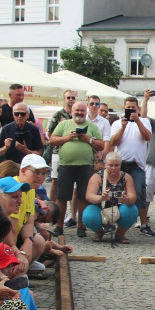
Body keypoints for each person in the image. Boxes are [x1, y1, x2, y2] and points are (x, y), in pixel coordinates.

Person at [50, 100, 103, 238]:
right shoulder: (64, 124)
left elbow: (101, 145)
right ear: (71, 112)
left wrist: (88, 140)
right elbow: (52, 140)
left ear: (86, 112)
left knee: (83, 197)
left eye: (82, 111)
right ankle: (59, 225)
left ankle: (81, 226)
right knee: (61, 197)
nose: (79, 113)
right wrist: (67, 138)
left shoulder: (91, 126)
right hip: (66, 165)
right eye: (77, 111)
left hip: (85, 166)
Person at [109, 96, 154, 238]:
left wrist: (138, 121)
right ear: (124, 108)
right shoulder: (117, 123)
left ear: (138, 108)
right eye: (128, 108)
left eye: (133, 108)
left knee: (141, 194)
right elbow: (114, 141)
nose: (130, 110)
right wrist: (123, 126)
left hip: (137, 164)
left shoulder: (145, 121)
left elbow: (147, 137)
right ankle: (113, 221)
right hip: (120, 164)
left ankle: (143, 224)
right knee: (115, 193)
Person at [83, 152, 138, 243]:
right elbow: (89, 196)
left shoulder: (127, 177)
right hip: (99, 206)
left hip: (120, 206)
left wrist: (127, 200)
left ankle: (120, 234)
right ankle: (99, 232)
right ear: (105, 165)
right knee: (88, 215)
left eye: (116, 165)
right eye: (110, 165)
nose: (113, 168)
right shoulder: (97, 177)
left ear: (120, 165)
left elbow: (133, 196)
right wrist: (101, 198)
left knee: (132, 209)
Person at [44, 89, 78, 195]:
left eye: (73, 97)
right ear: (64, 99)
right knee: (55, 179)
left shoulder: (77, 114)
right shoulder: (58, 115)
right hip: (58, 151)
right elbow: (50, 134)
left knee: (74, 183)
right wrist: (63, 139)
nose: (71, 100)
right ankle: (52, 204)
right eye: (69, 97)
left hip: (74, 152)